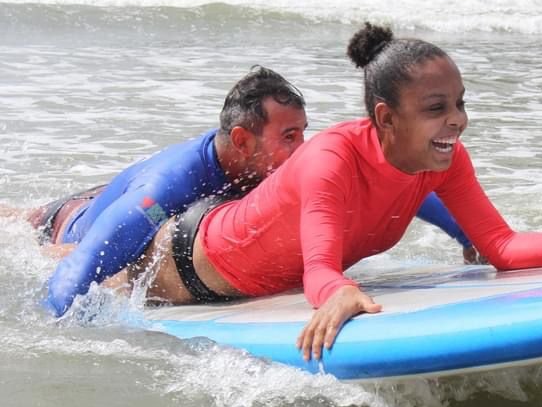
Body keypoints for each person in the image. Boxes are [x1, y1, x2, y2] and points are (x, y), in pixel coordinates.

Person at [122, 23, 542, 361]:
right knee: (111, 291)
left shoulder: (444, 160)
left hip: (256, 275)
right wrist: (338, 292)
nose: (458, 121)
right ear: (386, 117)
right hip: (187, 261)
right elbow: (320, 270)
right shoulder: (331, 158)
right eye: (437, 108)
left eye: (460, 104)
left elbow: (501, 246)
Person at [41, 65, 475, 317]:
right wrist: (61, 335)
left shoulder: (270, 165)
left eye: (303, 132)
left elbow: (393, 183)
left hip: (142, 196)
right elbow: (81, 266)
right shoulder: (168, 188)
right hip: (76, 220)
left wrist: (466, 233)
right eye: (289, 137)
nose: (303, 148)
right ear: (242, 140)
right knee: (44, 230)